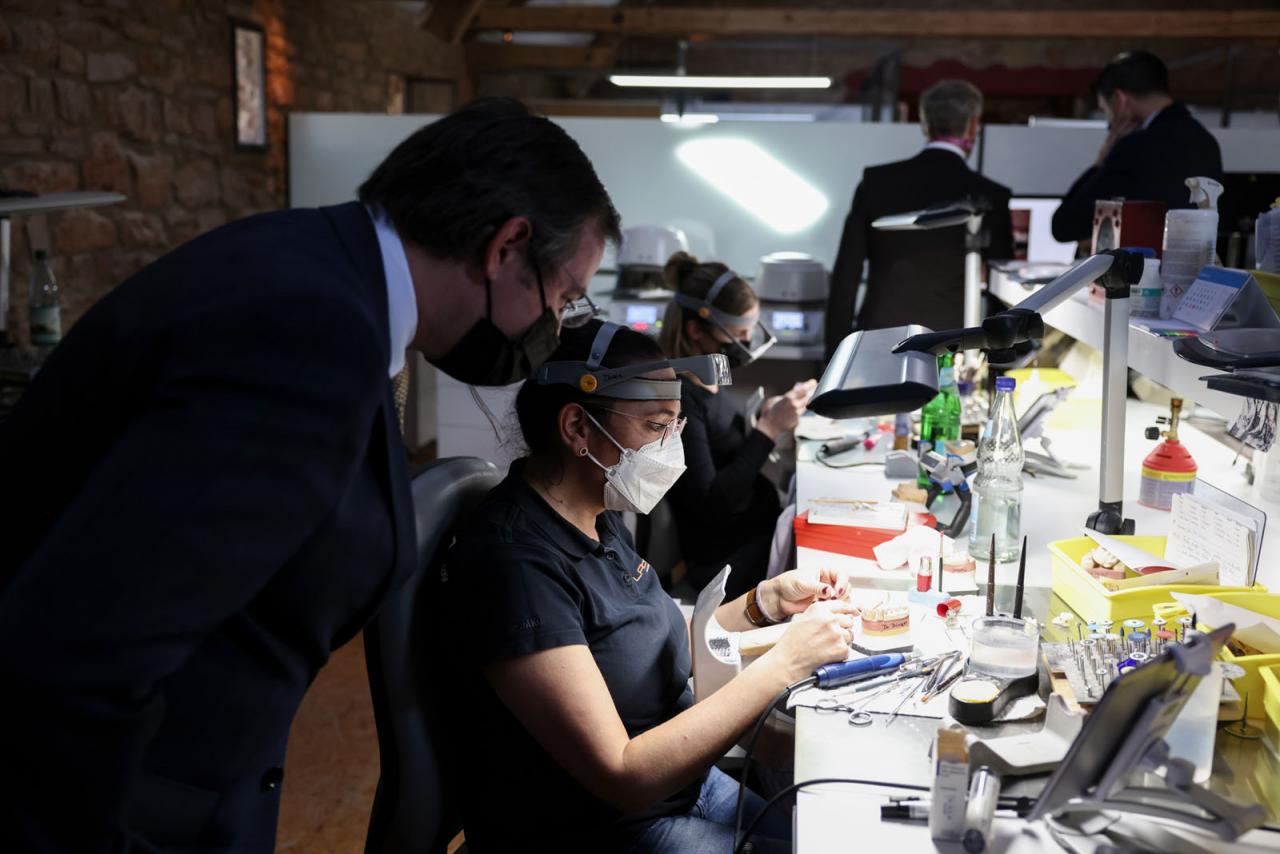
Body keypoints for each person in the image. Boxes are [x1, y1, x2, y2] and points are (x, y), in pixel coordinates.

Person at [0, 98, 619, 852]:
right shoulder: (308, 331)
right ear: (507, 247)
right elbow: (86, 657)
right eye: (559, 297)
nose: (550, 326)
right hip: (121, 806)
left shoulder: (323, 269)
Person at [442, 319, 857, 853]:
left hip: (684, 784)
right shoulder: (516, 566)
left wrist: (766, 602)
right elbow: (624, 773)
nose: (671, 446)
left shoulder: (595, 508)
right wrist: (786, 664)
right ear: (577, 428)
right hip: (608, 826)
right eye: (657, 425)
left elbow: (664, 639)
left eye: (677, 424)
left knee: (826, 836)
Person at [659, 252, 814, 598]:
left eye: (749, 332)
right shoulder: (680, 397)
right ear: (696, 330)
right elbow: (711, 505)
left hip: (753, 537)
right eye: (738, 333)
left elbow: (724, 447)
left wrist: (764, 415)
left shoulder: (708, 378)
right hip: (724, 563)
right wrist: (769, 430)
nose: (746, 344)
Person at [825, 78, 1014, 354]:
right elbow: (1001, 291)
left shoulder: (876, 183)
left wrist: (835, 357)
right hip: (951, 347)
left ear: (925, 125)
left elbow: (846, 277)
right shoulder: (990, 196)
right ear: (974, 125)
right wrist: (998, 364)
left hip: (879, 341)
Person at [1051, 50, 1224, 244]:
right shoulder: (1206, 142)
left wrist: (1101, 160)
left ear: (1119, 101)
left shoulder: (1134, 148)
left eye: (1105, 111)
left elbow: (1064, 225)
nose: (1109, 123)